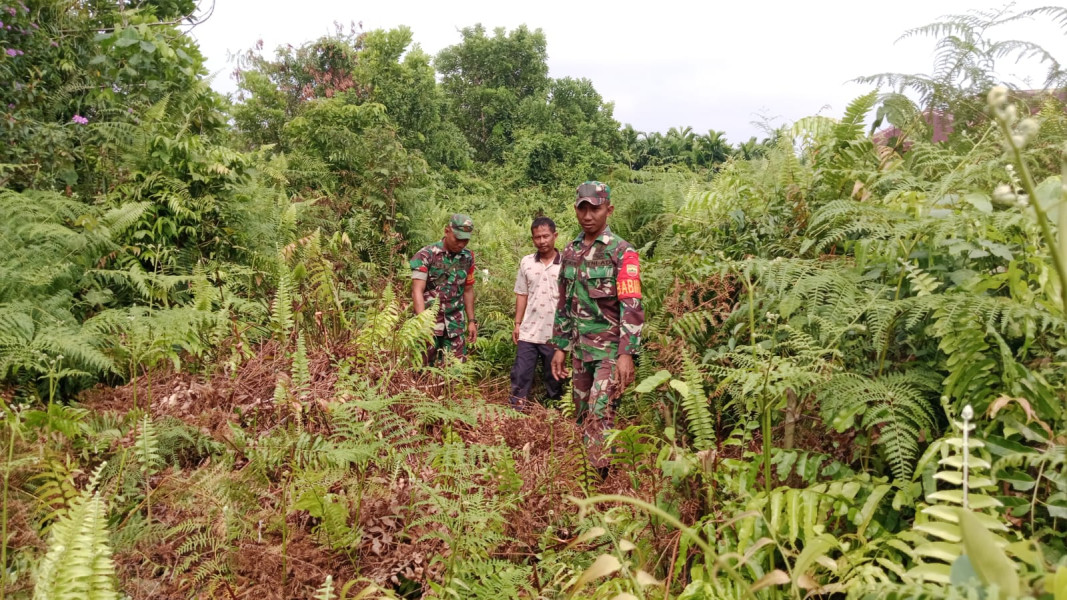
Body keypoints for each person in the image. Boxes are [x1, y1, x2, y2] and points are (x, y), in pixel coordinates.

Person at [550, 181, 644, 473]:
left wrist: (626, 354)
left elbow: (632, 304)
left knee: (599, 413)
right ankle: (582, 476)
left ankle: (599, 480)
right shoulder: (570, 251)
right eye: (583, 209)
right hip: (580, 352)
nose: (588, 215)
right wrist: (560, 348)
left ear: (608, 210)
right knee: (580, 416)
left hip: (609, 353)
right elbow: (564, 303)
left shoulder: (622, 252)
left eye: (595, 208)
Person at [509, 217, 565, 410]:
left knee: (555, 376)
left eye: (546, 236)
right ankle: (516, 411)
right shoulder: (526, 262)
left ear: (555, 236)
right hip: (529, 331)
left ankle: (556, 412)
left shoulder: (566, 263)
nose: (542, 241)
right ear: (532, 239)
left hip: (555, 333)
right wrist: (517, 324)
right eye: (537, 237)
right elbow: (522, 294)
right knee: (521, 373)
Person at [410, 214, 478, 363]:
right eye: (457, 239)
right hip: (429, 323)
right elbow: (417, 291)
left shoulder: (468, 257)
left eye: (465, 240)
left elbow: (468, 290)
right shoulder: (425, 255)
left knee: (456, 372)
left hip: (455, 325)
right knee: (423, 370)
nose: (461, 244)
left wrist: (471, 321)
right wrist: (423, 323)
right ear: (447, 231)